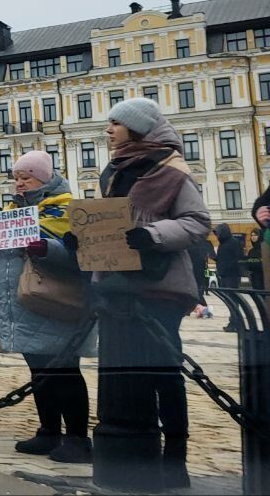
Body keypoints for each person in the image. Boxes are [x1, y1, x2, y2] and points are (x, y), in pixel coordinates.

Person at [93, 97, 209, 488]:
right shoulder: (113, 170)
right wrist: (87, 240)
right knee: (127, 376)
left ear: (138, 128)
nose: (108, 130)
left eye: (116, 123)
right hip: (116, 286)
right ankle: (132, 454)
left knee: (164, 371)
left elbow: (197, 222)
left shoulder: (171, 169)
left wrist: (152, 235)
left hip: (158, 286)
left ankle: (175, 458)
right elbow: (109, 221)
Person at [0, 150, 94, 462]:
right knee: (39, 371)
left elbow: (81, 255)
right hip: (21, 304)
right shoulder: (11, 214)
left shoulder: (66, 209)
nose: (20, 183)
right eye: (17, 178)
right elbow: (0, 256)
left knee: (65, 371)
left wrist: (46, 249)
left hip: (54, 304)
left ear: (45, 178)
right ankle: (48, 431)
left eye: (26, 177)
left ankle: (78, 438)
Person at [214, 224, 243, 332]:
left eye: (218, 233)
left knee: (233, 301)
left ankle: (235, 323)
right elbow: (222, 259)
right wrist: (215, 259)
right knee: (229, 301)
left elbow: (238, 259)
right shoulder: (223, 244)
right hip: (224, 275)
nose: (217, 236)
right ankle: (233, 322)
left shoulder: (234, 243)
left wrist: (227, 266)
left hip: (232, 275)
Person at [185, 237, 215, 318]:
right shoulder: (204, 243)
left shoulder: (190, 242)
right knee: (196, 290)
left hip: (194, 270)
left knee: (195, 290)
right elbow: (212, 256)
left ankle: (202, 308)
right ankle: (197, 308)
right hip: (198, 270)